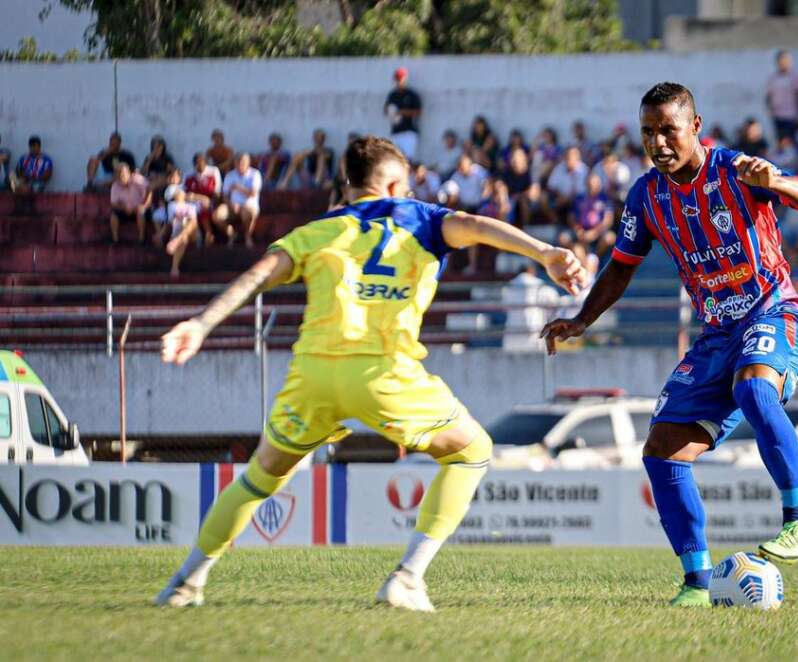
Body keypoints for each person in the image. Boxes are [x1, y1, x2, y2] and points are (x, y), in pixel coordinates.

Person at [155, 135, 586, 611]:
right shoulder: (420, 219)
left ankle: (185, 582)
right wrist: (545, 253)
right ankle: (406, 578)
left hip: (314, 375)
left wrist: (201, 323)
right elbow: (475, 225)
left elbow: (259, 274)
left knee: (260, 476)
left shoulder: (317, 231)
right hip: (384, 374)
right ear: (396, 183)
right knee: (472, 451)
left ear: (349, 185)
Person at [541, 82, 798, 608]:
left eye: (668, 130)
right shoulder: (647, 196)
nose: (658, 142)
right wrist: (583, 319)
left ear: (695, 126)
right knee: (662, 452)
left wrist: (780, 184)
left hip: (773, 312)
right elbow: (621, 267)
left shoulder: (737, 169)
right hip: (716, 333)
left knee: (754, 390)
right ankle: (697, 583)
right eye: (648, 132)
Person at [560, 173, 615, 257]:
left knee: (610, 238)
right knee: (563, 238)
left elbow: (608, 220)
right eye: (589, 185)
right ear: (586, 184)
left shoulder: (605, 198)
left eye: (594, 184)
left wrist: (594, 233)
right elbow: (571, 217)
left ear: (599, 185)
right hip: (580, 230)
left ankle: (595, 257)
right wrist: (578, 230)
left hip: (599, 231)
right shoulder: (579, 198)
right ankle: (584, 262)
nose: (592, 187)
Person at [221, 153, 263, 248]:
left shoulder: (255, 174)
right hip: (232, 206)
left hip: (249, 205)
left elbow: (253, 193)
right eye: (238, 161)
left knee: (247, 212)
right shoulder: (230, 175)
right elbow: (225, 195)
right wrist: (231, 204)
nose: (240, 164)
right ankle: (232, 234)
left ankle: (247, 237)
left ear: (248, 163)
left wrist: (237, 187)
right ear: (235, 163)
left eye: (243, 161)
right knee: (217, 215)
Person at [160, 184, 201, 278]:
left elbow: (206, 203)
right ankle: (174, 267)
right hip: (180, 233)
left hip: (193, 233)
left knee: (191, 221)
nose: (182, 192)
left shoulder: (191, 203)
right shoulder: (172, 206)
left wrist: (195, 196)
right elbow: (171, 223)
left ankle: (177, 240)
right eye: (179, 192)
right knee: (184, 237)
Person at [765, 49, 798, 142]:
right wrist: (769, 109)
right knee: (780, 140)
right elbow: (768, 95)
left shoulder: (794, 77)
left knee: (791, 140)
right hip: (777, 114)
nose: (784, 63)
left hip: (791, 115)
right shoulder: (773, 78)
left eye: (786, 61)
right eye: (782, 61)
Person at [185, 152, 223, 245]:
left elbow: (217, 191)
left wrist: (211, 201)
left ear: (206, 162)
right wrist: (200, 198)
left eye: (202, 162)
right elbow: (186, 194)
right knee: (190, 209)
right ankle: (200, 236)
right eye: (197, 162)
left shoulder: (213, 171)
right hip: (193, 202)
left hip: (211, 201)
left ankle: (207, 234)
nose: (200, 164)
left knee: (203, 207)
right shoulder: (189, 175)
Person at [109, 162, 151, 244]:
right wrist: (124, 208)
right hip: (126, 209)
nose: (121, 175)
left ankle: (142, 238)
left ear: (129, 173)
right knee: (114, 215)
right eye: (118, 173)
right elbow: (113, 204)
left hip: (141, 207)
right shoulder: (115, 185)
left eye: (123, 173)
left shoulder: (138, 179)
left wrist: (145, 206)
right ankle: (115, 239)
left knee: (140, 211)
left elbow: (150, 190)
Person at [385, 67, 422, 160]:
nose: (399, 81)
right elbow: (386, 109)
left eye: (400, 78)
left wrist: (401, 112)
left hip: (409, 132)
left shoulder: (412, 94)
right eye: (397, 79)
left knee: (408, 159)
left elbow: (418, 112)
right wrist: (390, 111)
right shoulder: (392, 95)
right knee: (394, 159)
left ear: (405, 78)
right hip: (396, 131)